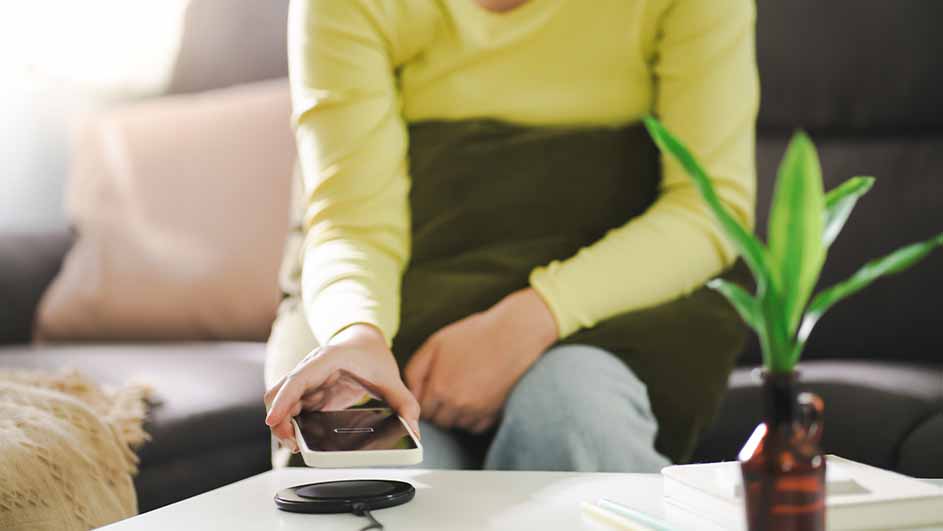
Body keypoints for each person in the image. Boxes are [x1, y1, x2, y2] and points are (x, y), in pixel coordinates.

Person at [264, 0, 758, 471]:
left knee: (576, 413)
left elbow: (708, 210)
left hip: (617, 312)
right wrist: (358, 336)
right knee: (375, 472)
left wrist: (534, 317)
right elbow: (355, 223)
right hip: (382, 308)